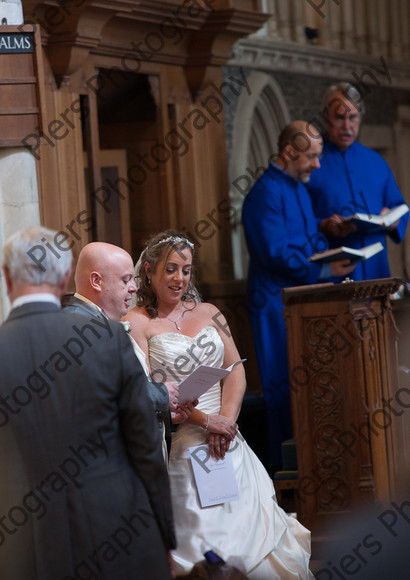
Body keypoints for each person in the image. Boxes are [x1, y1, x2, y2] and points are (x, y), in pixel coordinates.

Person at [123, 229, 315, 579]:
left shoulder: (211, 311)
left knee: (254, 528)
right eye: (170, 269)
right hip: (182, 437)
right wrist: (206, 422)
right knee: (200, 537)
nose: (179, 278)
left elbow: (237, 373)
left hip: (229, 440)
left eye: (186, 269)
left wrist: (226, 422)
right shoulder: (135, 322)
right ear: (148, 271)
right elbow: (148, 391)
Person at [0, 226, 176, 579]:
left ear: (6, 276)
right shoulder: (107, 337)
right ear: (66, 276)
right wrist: (165, 537)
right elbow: (143, 445)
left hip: (21, 543)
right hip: (113, 526)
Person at [241, 121, 356, 471]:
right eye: (312, 157)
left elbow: (298, 234)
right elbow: (274, 251)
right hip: (274, 303)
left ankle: (315, 464)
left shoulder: (296, 186)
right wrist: (324, 270)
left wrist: (324, 227)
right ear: (288, 153)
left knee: (309, 389)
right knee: (282, 389)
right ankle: (289, 474)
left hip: (300, 298)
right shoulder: (264, 193)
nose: (318, 165)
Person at [63, 241, 188, 456]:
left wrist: (165, 413)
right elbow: (106, 390)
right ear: (96, 281)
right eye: (125, 280)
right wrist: (162, 394)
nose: (134, 287)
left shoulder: (96, 322)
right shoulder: (80, 325)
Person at [306, 81, 408, 282]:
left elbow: (399, 206)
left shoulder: (376, 161)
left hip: (376, 270)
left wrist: (393, 220)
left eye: (353, 118)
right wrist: (322, 225)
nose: (347, 126)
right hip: (332, 275)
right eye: (339, 118)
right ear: (326, 118)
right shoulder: (311, 162)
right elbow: (296, 218)